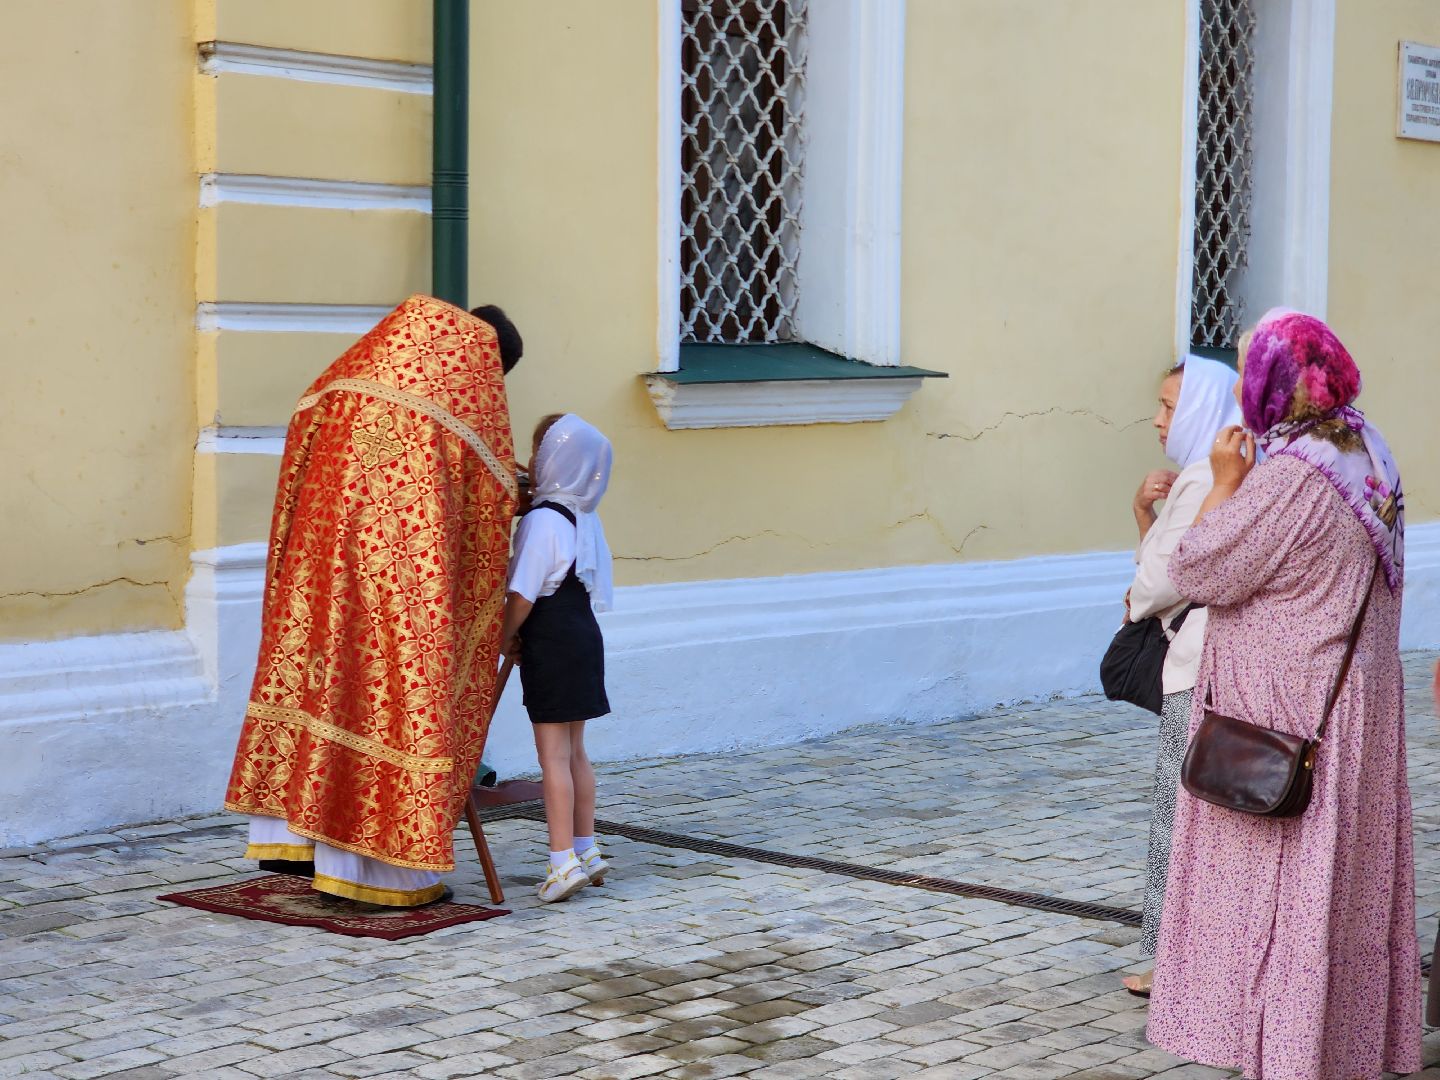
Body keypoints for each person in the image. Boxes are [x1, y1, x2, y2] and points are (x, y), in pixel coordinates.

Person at [1147, 311, 1417, 1080]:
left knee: (1280, 886)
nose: (1240, 390)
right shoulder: (1366, 450)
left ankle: (1281, 1049)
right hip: (1350, 703)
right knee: (1337, 887)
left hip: (1282, 715)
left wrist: (1227, 484)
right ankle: (1334, 1040)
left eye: (1249, 372)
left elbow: (1195, 568)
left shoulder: (1291, 480)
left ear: (1276, 386)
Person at [224, 295, 525, 909]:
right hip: (398, 594)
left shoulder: (347, 378)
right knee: (389, 704)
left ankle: (299, 841)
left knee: (326, 693)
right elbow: (486, 503)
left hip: (319, 580)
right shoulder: (454, 405)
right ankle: (381, 875)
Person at [1120, 355, 1240, 997]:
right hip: (1211, 660)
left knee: (1179, 813)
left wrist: (1137, 592)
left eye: (1170, 407)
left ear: (1199, 410)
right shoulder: (1221, 472)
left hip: (1195, 664)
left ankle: (1168, 962)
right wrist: (1144, 515)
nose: (1159, 420)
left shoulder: (1203, 480)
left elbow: (1160, 580)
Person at [499, 413, 614, 903]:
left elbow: (523, 593)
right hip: (584, 634)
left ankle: (561, 861)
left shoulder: (542, 520)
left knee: (552, 758)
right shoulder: (583, 517)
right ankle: (587, 851)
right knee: (576, 752)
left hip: (551, 637)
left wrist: (505, 637)